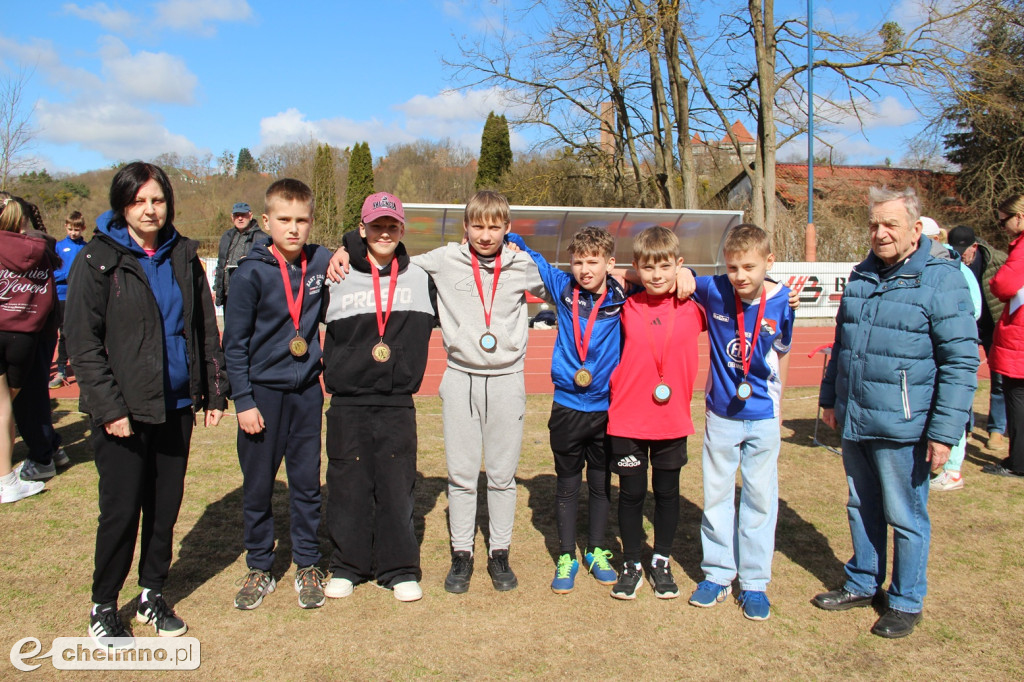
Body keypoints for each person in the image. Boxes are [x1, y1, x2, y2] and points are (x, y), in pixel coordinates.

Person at [327, 190, 548, 594]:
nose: (485, 235)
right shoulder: (443, 260)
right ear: (465, 227)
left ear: (507, 228)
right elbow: (387, 254)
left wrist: (528, 249)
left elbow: (564, 287)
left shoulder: (522, 265)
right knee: (461, 476)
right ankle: (462, 554)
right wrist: (345, 247)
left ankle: (499, 553)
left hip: (507, 379)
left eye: (495, 227)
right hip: (460, 377)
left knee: (502, 476)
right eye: (477, 226)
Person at [64, 162, 228, 647]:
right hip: (124, 411)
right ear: (122, 205)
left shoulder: (183, 254)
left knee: (164, 509)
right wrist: (110, 408)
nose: (149, 209)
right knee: (120, 511)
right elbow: (83, 343)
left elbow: (203, 327)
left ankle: (152, 592)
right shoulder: (96, 259)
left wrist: (213, 391)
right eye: (139, 201)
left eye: (157, 200)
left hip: (176, 406)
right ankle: (103, 605)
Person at [814, 187, 977, 639]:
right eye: (874, 224)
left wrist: (944, 433)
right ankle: (863, 582)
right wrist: (829, 398)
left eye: (890, 224)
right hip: (856, 417)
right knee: (860, 505)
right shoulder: (862, 275)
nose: (880, 233)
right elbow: (843, 343)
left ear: (915, 228)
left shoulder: (942, 279)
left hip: (905, 425)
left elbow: (960, 361)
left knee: (906, 515)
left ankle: (905, 600)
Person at [321, 192, 436, 603]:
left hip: (396, 401)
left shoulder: (421, 277)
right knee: (347, 486)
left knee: (396, 487)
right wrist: (340, 249)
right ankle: (347, 566)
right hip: (348, 401)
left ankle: (399, 568)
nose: (384, 233)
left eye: (391, 225)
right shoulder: (335, 273)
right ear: (362, 229)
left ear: (402, 228)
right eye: (376, 226)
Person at [224, 179, 332, 610]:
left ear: (311, 223)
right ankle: (259, 566)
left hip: (306, 393)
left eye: (301, 220)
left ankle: (307, 562)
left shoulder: (320, 261)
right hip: (262, 396)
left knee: (306, 484)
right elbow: (234, 345)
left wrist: (344, 248)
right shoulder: (250, 273)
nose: (293, 228)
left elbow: (353, 248)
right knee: (258, 486)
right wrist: (244, 401)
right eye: (284, 219)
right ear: (266, 221)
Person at [506, 226, 627, 593]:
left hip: (606, 408)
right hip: (567, 406)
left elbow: (665, 277)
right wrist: (516, 240)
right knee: (568, 485)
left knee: (601, 485)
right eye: (578, 262)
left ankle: (596, 550)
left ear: (610, 263)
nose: (585, 270)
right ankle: (566, 555)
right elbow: (538, 262)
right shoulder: (562, 288)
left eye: (593, 262)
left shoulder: (623, 295)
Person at [685, 224, 793, 621]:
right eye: (732, 267)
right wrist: (682, 274)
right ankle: (717, 574)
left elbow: (782, 353)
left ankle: (754, 582)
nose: (740, 276)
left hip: (763, 416)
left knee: (759, 500)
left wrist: (779, 407)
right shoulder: (714, 289)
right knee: (716, 496)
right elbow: (673, 274)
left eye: (749, 267)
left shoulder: (783, 301)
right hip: (722, 415)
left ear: (769, 262)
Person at [606, 226, 705, 600]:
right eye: (648, 268)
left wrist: (690, 275)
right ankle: (632, 562)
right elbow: (596, 274)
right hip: (628, 419)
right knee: (631, 495)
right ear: (637, 268)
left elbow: (742, 284)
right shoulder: (626, 305)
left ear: (678, 264)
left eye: (665, 267)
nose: (657, 275)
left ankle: (661, 560)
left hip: (671, 419)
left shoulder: (695, 306)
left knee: (667, 494)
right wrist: (627, 274)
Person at [0, 194, 57, 504]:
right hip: (27, 335)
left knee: (6, 407)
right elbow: (46, 297)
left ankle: (7, 478)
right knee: (7, 405)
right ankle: (9, 475)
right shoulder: (40, 249)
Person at [922, 217, 981, 491]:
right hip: (931, 354)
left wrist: (946, 324)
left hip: (950, 349)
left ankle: (953, 470)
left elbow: (974, 308)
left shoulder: (954, 268)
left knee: (952, 406)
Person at [949, 224, 1009, 450]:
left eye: (963, 251)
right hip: (966, 328)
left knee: (1000, 380)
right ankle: (967, 426)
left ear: (974, 246)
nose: (960, 256)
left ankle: (996, 429)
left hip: (995, 326)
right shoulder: (948, 262)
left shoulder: (998, 262)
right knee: (963, 378)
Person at [984, 193, 1024, 478]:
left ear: (1019, 217)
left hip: (1019, 337)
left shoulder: (1022, 248)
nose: (1002, 227)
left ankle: (1018, 462)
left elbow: (1002, 283)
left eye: (1003, 221)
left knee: (1017, 398)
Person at [50, 210, 88, 387]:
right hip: (62, 296)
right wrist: (67, 274)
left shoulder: (87, 247)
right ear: (66, 227)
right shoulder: (58, 247)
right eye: (70, 229)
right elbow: (51, 272)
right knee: (63, 333)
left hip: (80, 296)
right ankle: (61, 370)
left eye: (77, 229)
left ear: (83, 229)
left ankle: (83, 368)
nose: (73, 233)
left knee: (81, 333)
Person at [213, 201, 270, 308]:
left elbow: (269, 268)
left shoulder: (263, 238)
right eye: (237, 215)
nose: (240, 218)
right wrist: (216, 288)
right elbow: (220, 264)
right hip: (227, 294)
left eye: (243, 215)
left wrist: (250, 261)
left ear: (250, 215)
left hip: (250, 295)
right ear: (232, 217)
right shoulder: (226, 237)